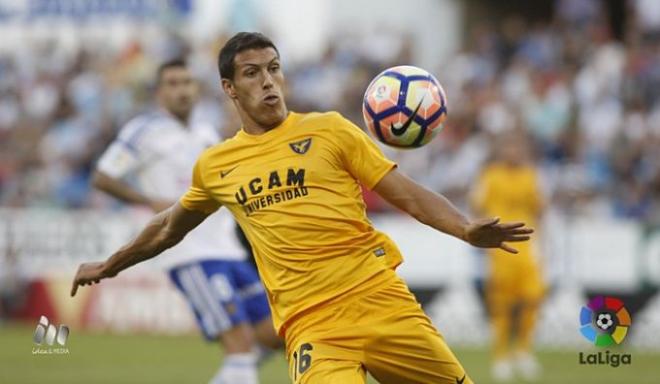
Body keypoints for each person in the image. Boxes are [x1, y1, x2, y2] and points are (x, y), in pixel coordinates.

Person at [72, 32, 533, 384]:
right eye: (252, 73)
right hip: (312, 328)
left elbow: (407, 193)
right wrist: (110, 264)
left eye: (274, 68)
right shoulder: (216, 165)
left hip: (380, 300)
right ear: (230, 89)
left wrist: (465, 227)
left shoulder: (330, 130)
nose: (268, 80)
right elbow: (168, 227)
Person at [91, 59, 281, 384]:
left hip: (229, 250)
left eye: (187, 83)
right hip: (190, 254)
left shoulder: (206, 130)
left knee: (278, 333)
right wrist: (149, 201)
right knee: (239, 348)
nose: (182, 91)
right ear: (159, 92)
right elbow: (103, 177)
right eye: (173, 83)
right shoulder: (144, 131)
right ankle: (239, 370)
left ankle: (236, 373)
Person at [471, 132, 546, 382]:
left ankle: (523, 351)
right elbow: (476, 207)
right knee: (501, 303)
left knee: (533, 297)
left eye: (517, 147)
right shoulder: (490, 175)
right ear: (502, 150)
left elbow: (541, 209)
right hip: (500, 248)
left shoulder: (531, 176)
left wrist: (544, 242)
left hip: (527, 248)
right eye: (509, 147)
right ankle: (501, 356)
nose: (513, 152)